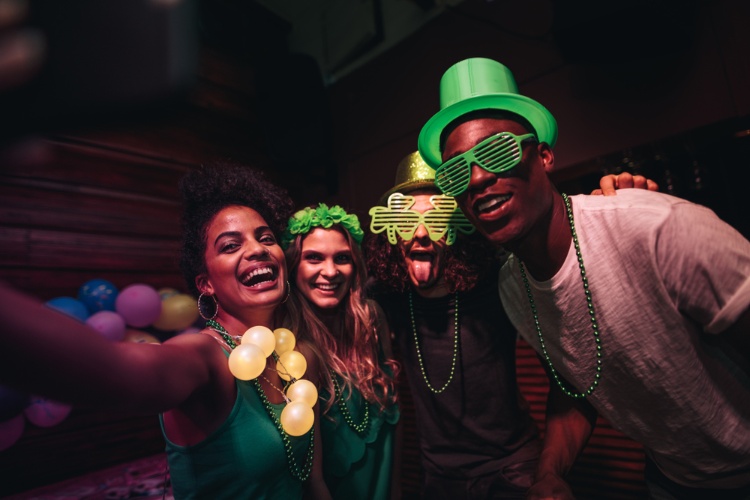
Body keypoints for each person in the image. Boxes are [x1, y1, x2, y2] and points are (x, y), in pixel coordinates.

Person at [416, 57, 750, 499]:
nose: (477, 178)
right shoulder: (512, 288)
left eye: (497, 152)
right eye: (456, 172)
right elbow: (576, 384)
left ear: (545, 156)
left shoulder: (655, 229)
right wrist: (550, 473)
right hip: (673, 482)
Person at [0, 161, 330, 499]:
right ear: (206, 283)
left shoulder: (298, 357)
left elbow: (314, 481)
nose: (258, 249)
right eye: (231, 245)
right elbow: (118, 370)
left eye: (266, 239)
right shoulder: (203, 357)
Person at [364, 152, 650, 499]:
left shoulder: (500, 284)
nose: (421, 234)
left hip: (513, 469)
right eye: (405, 221)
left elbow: (572, 378)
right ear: (391, 232)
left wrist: (612, 210)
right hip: (438, 478)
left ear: (459, 228)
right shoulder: (389, 296)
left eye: (438, 219)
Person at [282, 203, 400, 500]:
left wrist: (398, 490)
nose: (331, 271)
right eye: (314, 258)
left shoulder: (371, 320)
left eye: (342, 258)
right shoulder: (292, 348)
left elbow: (396, 424)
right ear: (294, 264)